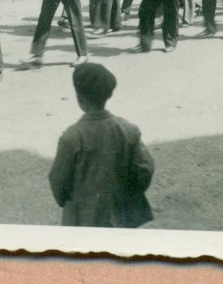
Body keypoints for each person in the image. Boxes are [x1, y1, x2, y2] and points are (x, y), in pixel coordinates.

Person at [48, 63, 155, 228]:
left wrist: (67, 201)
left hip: (84, 218)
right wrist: (130, 193)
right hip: (122, 214)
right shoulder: (127, 129)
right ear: (108, 94)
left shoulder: (71, 138)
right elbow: (144, 169)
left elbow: (58, 180)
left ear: (80, 98)